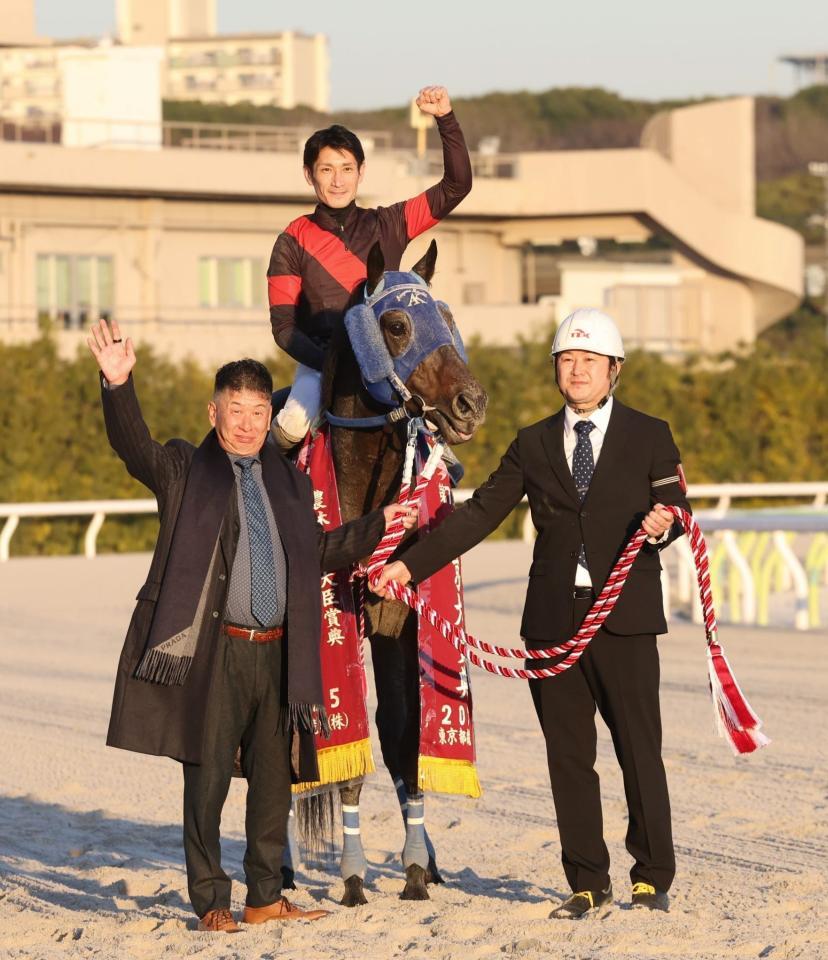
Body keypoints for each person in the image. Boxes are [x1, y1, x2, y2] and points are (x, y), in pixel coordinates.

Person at [88, 319, 416, 933]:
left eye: (258, 411)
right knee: (207, 780)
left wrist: (380, 523)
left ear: (271, 416)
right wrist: (118, 385)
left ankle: (265, 896)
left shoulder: (288, 483)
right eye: (235, 410)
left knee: (273, 781)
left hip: (279, 652)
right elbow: (135, 448)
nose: (246, 423)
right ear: (213, 412)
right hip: (215, 651)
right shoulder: (185, 470)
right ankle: (211, 899)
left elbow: (318, 551)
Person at [373, 308, 691, 918]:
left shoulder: (651, 434)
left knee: (638, 750)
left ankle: (652, 876)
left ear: (614, 370)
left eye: (589, 361)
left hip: (624, 619)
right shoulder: (533, 441)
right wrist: (408, 566)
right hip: (551, 622)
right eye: (567, 360)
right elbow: (477, 515)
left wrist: (664, 524)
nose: (577, 371)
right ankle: (587, 881)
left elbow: (675, 503)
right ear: (556, 369)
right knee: (568, 757)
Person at [267, 84, 472, 449]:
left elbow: (457, 186)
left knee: (443, 453)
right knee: (291, 427)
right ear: (309, 174)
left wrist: (446, 120)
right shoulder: (290, 241)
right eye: (327, 169)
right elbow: (284, 328)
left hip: (394, 367)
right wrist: (336, 365)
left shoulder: (390, 224)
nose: (338, 180)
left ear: (361, 172)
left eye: (347, 168)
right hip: (321, 367)